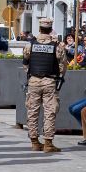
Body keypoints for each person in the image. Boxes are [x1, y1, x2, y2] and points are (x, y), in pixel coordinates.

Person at [23, 18, 67, 153]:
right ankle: (48, 143)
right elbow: (63, 65)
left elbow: (25, 63)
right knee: (50, 112)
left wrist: (32, 75)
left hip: (34, 81)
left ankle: (34, 142)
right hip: (50, 81)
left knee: (32, 112)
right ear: (51, 29)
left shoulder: (30, 44)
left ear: (40, 29)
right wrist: (58, 77)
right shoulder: (57, 45)